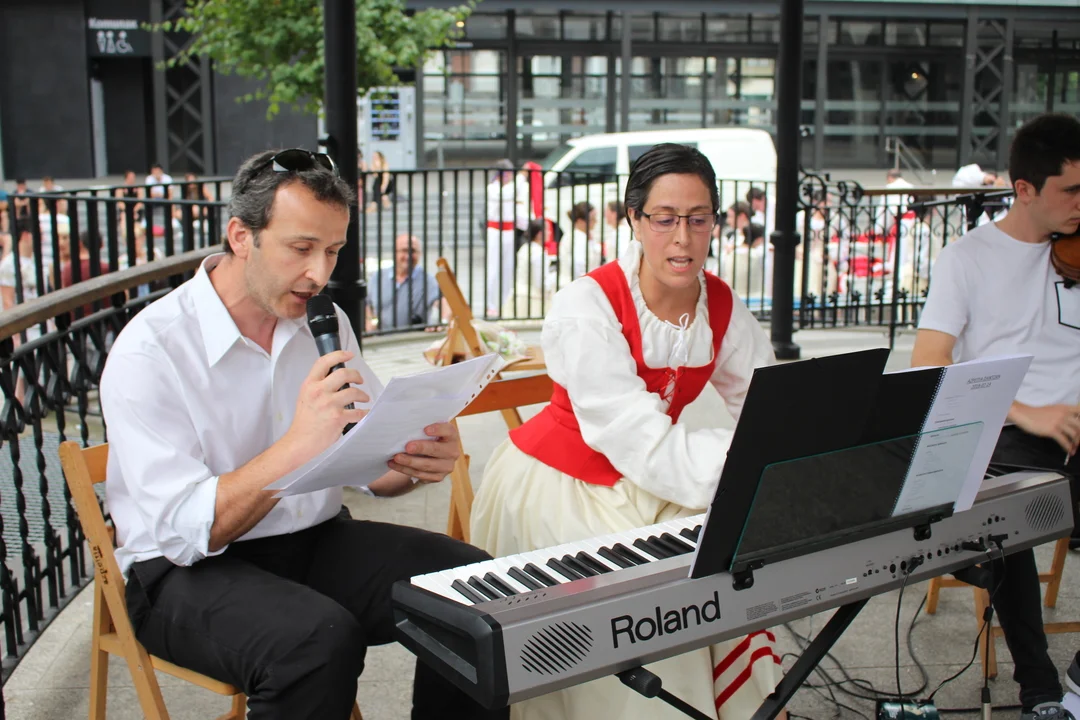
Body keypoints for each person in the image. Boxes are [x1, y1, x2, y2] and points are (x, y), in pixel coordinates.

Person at [99, 148, 508, 720]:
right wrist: (299, 444)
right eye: (301, 249)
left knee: (478, 589)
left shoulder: (324, 320)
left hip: (311, 540)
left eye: (333, 250)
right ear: (241, 236)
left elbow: (370, 471)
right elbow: (188, 530)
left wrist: (414, 461)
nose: (320, 273)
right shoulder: (152, 349)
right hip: (183, 572)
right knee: (316, 642)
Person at [470, 143, 781, 720]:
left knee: (734, 567)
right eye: (664, 219)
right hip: (560, 482)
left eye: (698, 219)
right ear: (634, 219)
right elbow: (637, 437)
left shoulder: (720, 305)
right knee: (649, 605)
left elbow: (770, 407)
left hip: (652, 478)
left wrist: (789, 457)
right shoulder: (585, 305)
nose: (683, 239)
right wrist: (744, 466)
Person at [911, 113, 1080, 720]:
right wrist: (1027, 411)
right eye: (1072, 191)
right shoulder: (968, 259)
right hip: (1011, 434)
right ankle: (1040, 689)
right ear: (1025, 189)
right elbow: (930, 364)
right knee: (1003, 523)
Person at [365, 233, 449, 331]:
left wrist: (443, 322)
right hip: (382, 337)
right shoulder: (378, 277)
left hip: (410, 337)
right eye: (404, 250)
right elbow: (367, 303)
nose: (408, 256)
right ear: (395, 252)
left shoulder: (428, 281)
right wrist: (369, 322)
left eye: (413, 251)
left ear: (419, 254)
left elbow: (443, 303)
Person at [485, 159, 528, 316]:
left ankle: (505, 303)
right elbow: (508, 193)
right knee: (493, 268)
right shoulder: (493, 188)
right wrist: (522, 176)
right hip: (495, 230)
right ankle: (490, 304)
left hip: (509, 230)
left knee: (508, 268)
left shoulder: (512, 187)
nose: (509, 176)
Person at [557, 201, 601, 290]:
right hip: (579, 287)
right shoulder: (578, 238)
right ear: (580, 221)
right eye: (592, 219)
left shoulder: (581, 236)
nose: (596, 221)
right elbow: (578, 267)